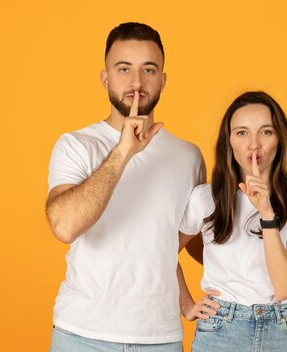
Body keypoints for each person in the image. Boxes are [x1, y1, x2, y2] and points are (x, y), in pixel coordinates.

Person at [46, 22, 205, 351]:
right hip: (82, 334)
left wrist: (269, 274)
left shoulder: (188, 156)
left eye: (149, 70)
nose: (136, 83)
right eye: (123, 69)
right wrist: (123, 152)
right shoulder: (77, 145)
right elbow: (63, 226)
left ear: (162, 80)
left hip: (160, 338)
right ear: (105, 78)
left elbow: (189, 242)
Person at [177, 91, 287, 351]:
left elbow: (283, 288)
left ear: (280, 139)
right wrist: (186, 305)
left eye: (266, 132)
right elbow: (162, 252)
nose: (254, 144)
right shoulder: (205, 198)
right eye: (242, 132)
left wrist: (267, 214)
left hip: (282, 327)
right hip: (220, 327)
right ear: (229, 141)